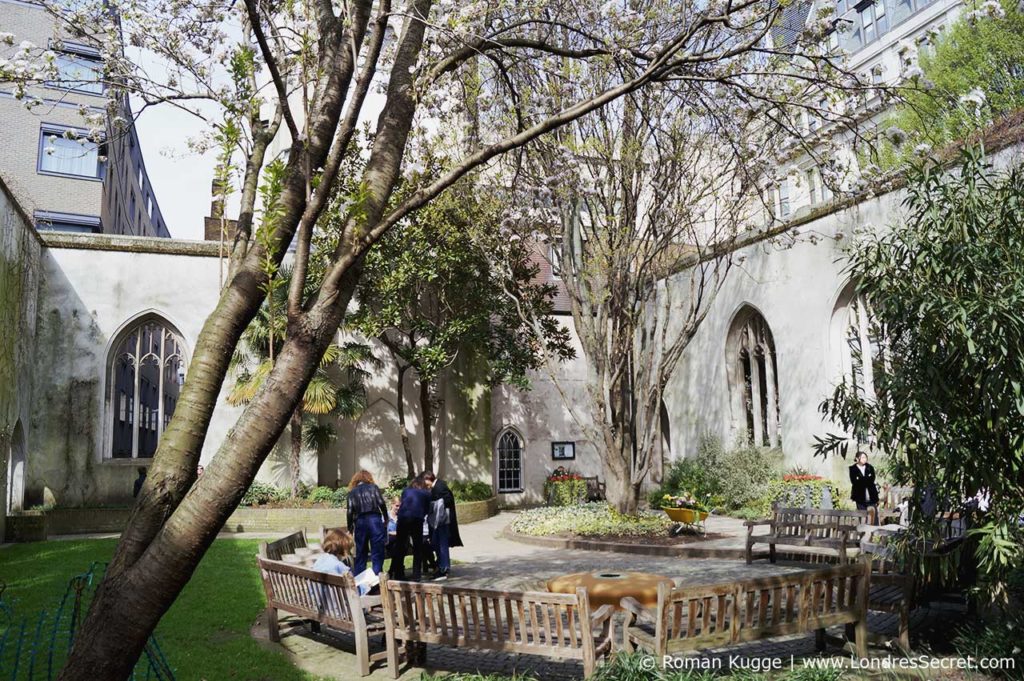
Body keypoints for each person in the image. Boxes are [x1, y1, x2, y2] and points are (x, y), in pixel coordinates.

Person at [346, 470, 388, 577]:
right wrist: (386, 517)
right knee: (377, 552)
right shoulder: (374, 488)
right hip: (375, 520)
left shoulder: (352, 493)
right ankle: (376, 578)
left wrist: (350, 529)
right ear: (368, 478)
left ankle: (360, 580)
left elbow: (350, 511)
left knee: (361, 553)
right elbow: (381, 503)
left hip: (360, 522)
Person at [423, 472, 463, 581]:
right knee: (437, 543)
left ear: (429, 479)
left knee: (442, 544)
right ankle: (441, 565)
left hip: (442, 521)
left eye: (425, 482)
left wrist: (435, 504)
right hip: (440, 521)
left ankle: (443, 568)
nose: (425, 485)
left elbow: (447, 500)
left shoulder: (439, 487)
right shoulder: (438, 486)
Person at [312, 528, 369, 598]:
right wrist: (366, 586)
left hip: (321, 602)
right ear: (343, 549)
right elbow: (354, 592)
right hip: (340, 605)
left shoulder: (319, 561)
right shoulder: (341, 567)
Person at [393, 476, 431, 581]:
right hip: (417, 519)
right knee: (417, 547)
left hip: (403, 518)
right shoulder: (426, 493)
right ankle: (416, 575)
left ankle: (398, 573)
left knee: (400, 546)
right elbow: (428, 509)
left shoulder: (405, 491)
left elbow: (403, 503)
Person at [849, 451, 879, 518]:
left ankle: (874, 527)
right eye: (862, 457)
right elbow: (854, 481)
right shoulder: (853, 469)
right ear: (857, 459)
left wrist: (861, 479)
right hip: (859, 495)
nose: (864, 459)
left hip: (871, 494)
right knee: (862, 515)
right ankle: (863, 527)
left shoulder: (870, 467)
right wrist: (865, 479)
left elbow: (872, 479)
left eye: (865, 457)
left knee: (873, 515)